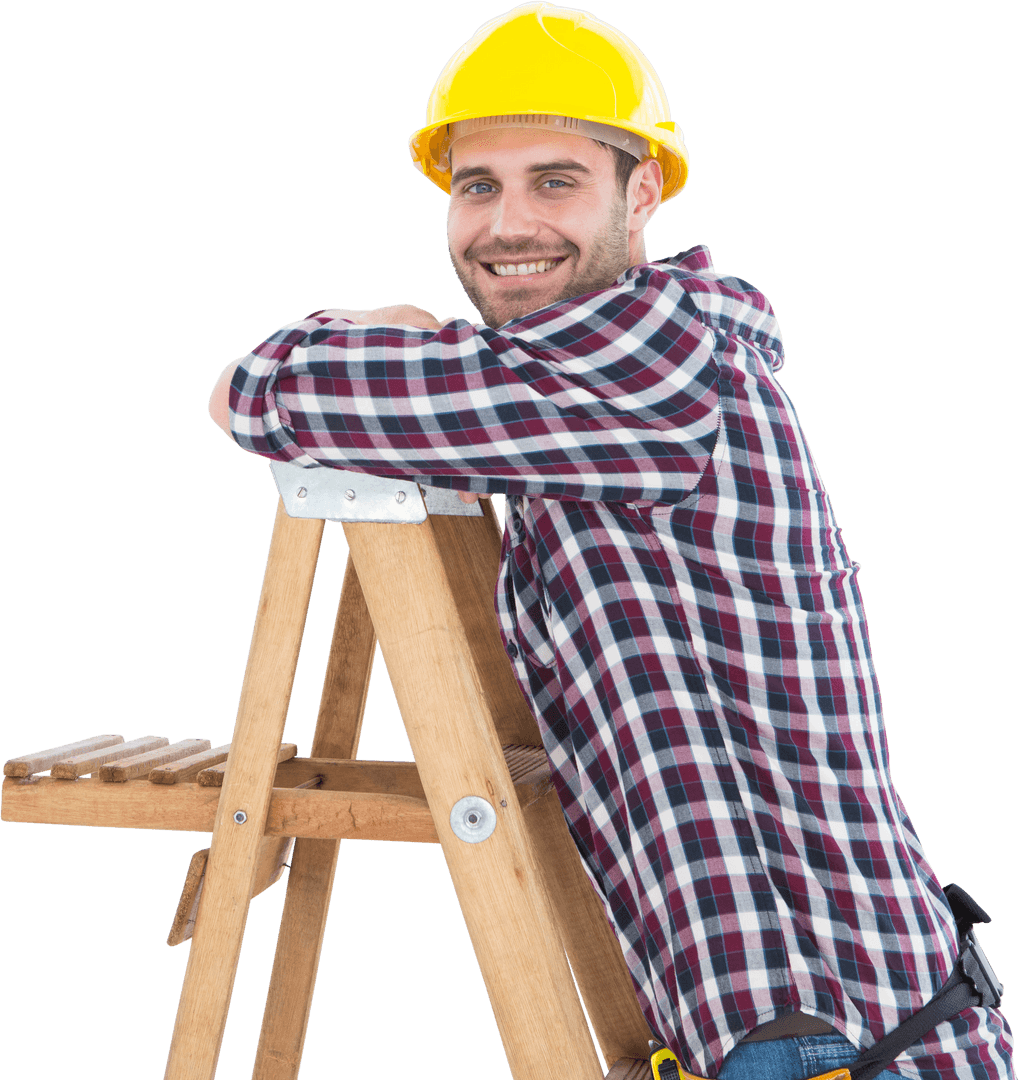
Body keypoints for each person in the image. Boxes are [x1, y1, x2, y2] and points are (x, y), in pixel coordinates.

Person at [207, 4, 1013, 1079]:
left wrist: (375, 330)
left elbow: (256, 395)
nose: (507, 224)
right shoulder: (551, 396)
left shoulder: (651, 368)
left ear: (641, 192)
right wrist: (428, 345)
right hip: (784, 1031)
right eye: (476, 186)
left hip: (834, 1033)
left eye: (555, 180)